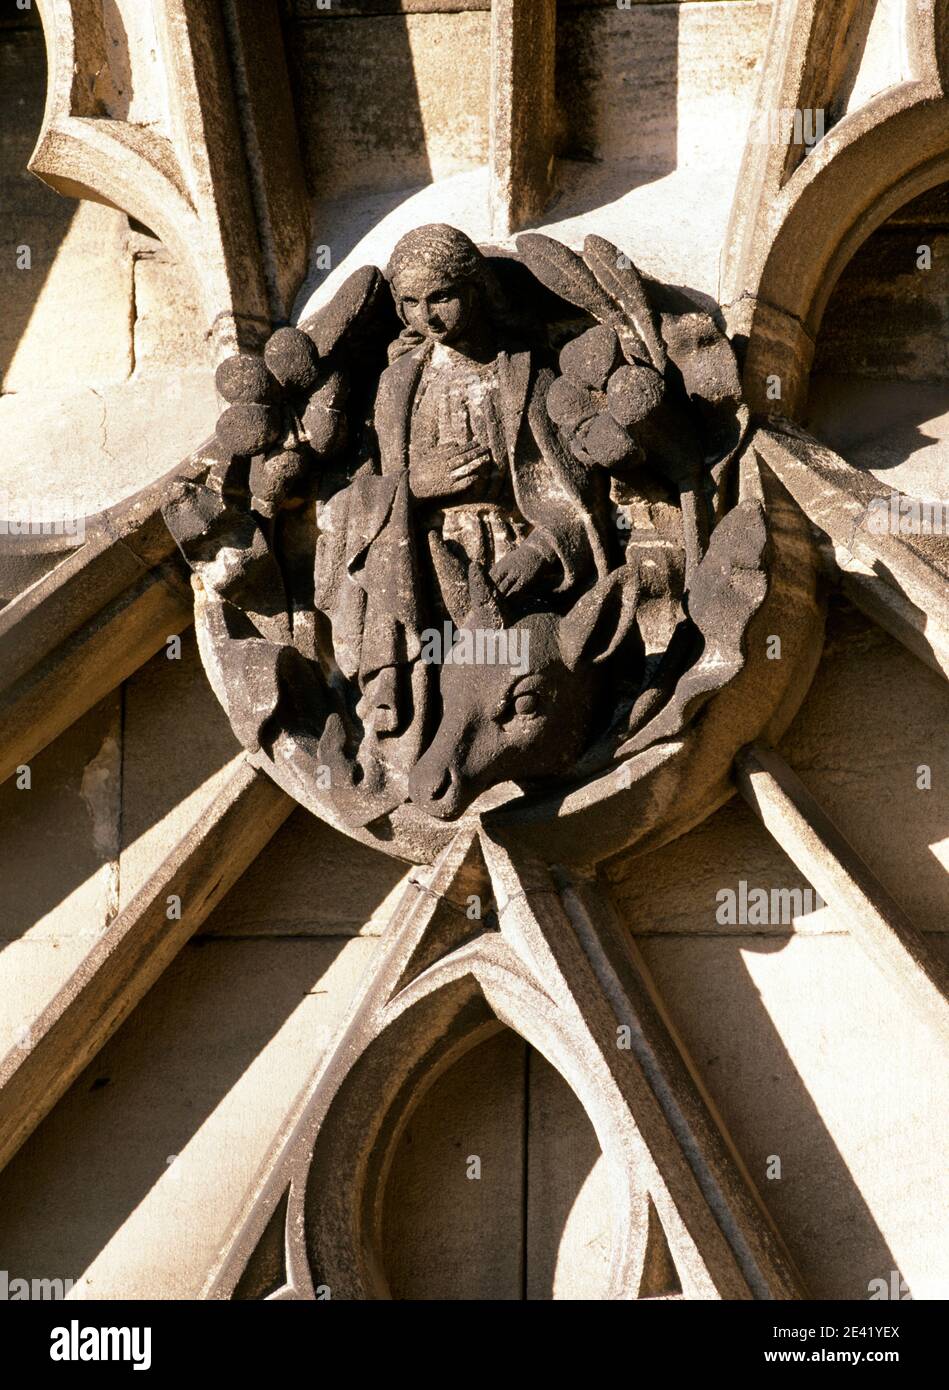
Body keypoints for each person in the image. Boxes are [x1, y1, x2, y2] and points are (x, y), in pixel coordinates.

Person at [316, 224, 608, 803]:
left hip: (508, 551)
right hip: (423, 559)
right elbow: (358, 496)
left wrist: (541, 550)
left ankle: (512, 757)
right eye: (412, 302)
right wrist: (411, 488)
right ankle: (421, 758)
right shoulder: (398, 383)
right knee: (442, 673)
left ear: (476, 289)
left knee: (510, 681)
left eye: (443, 296)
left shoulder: (524, 372)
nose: (429, 316)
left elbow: (576, 490)